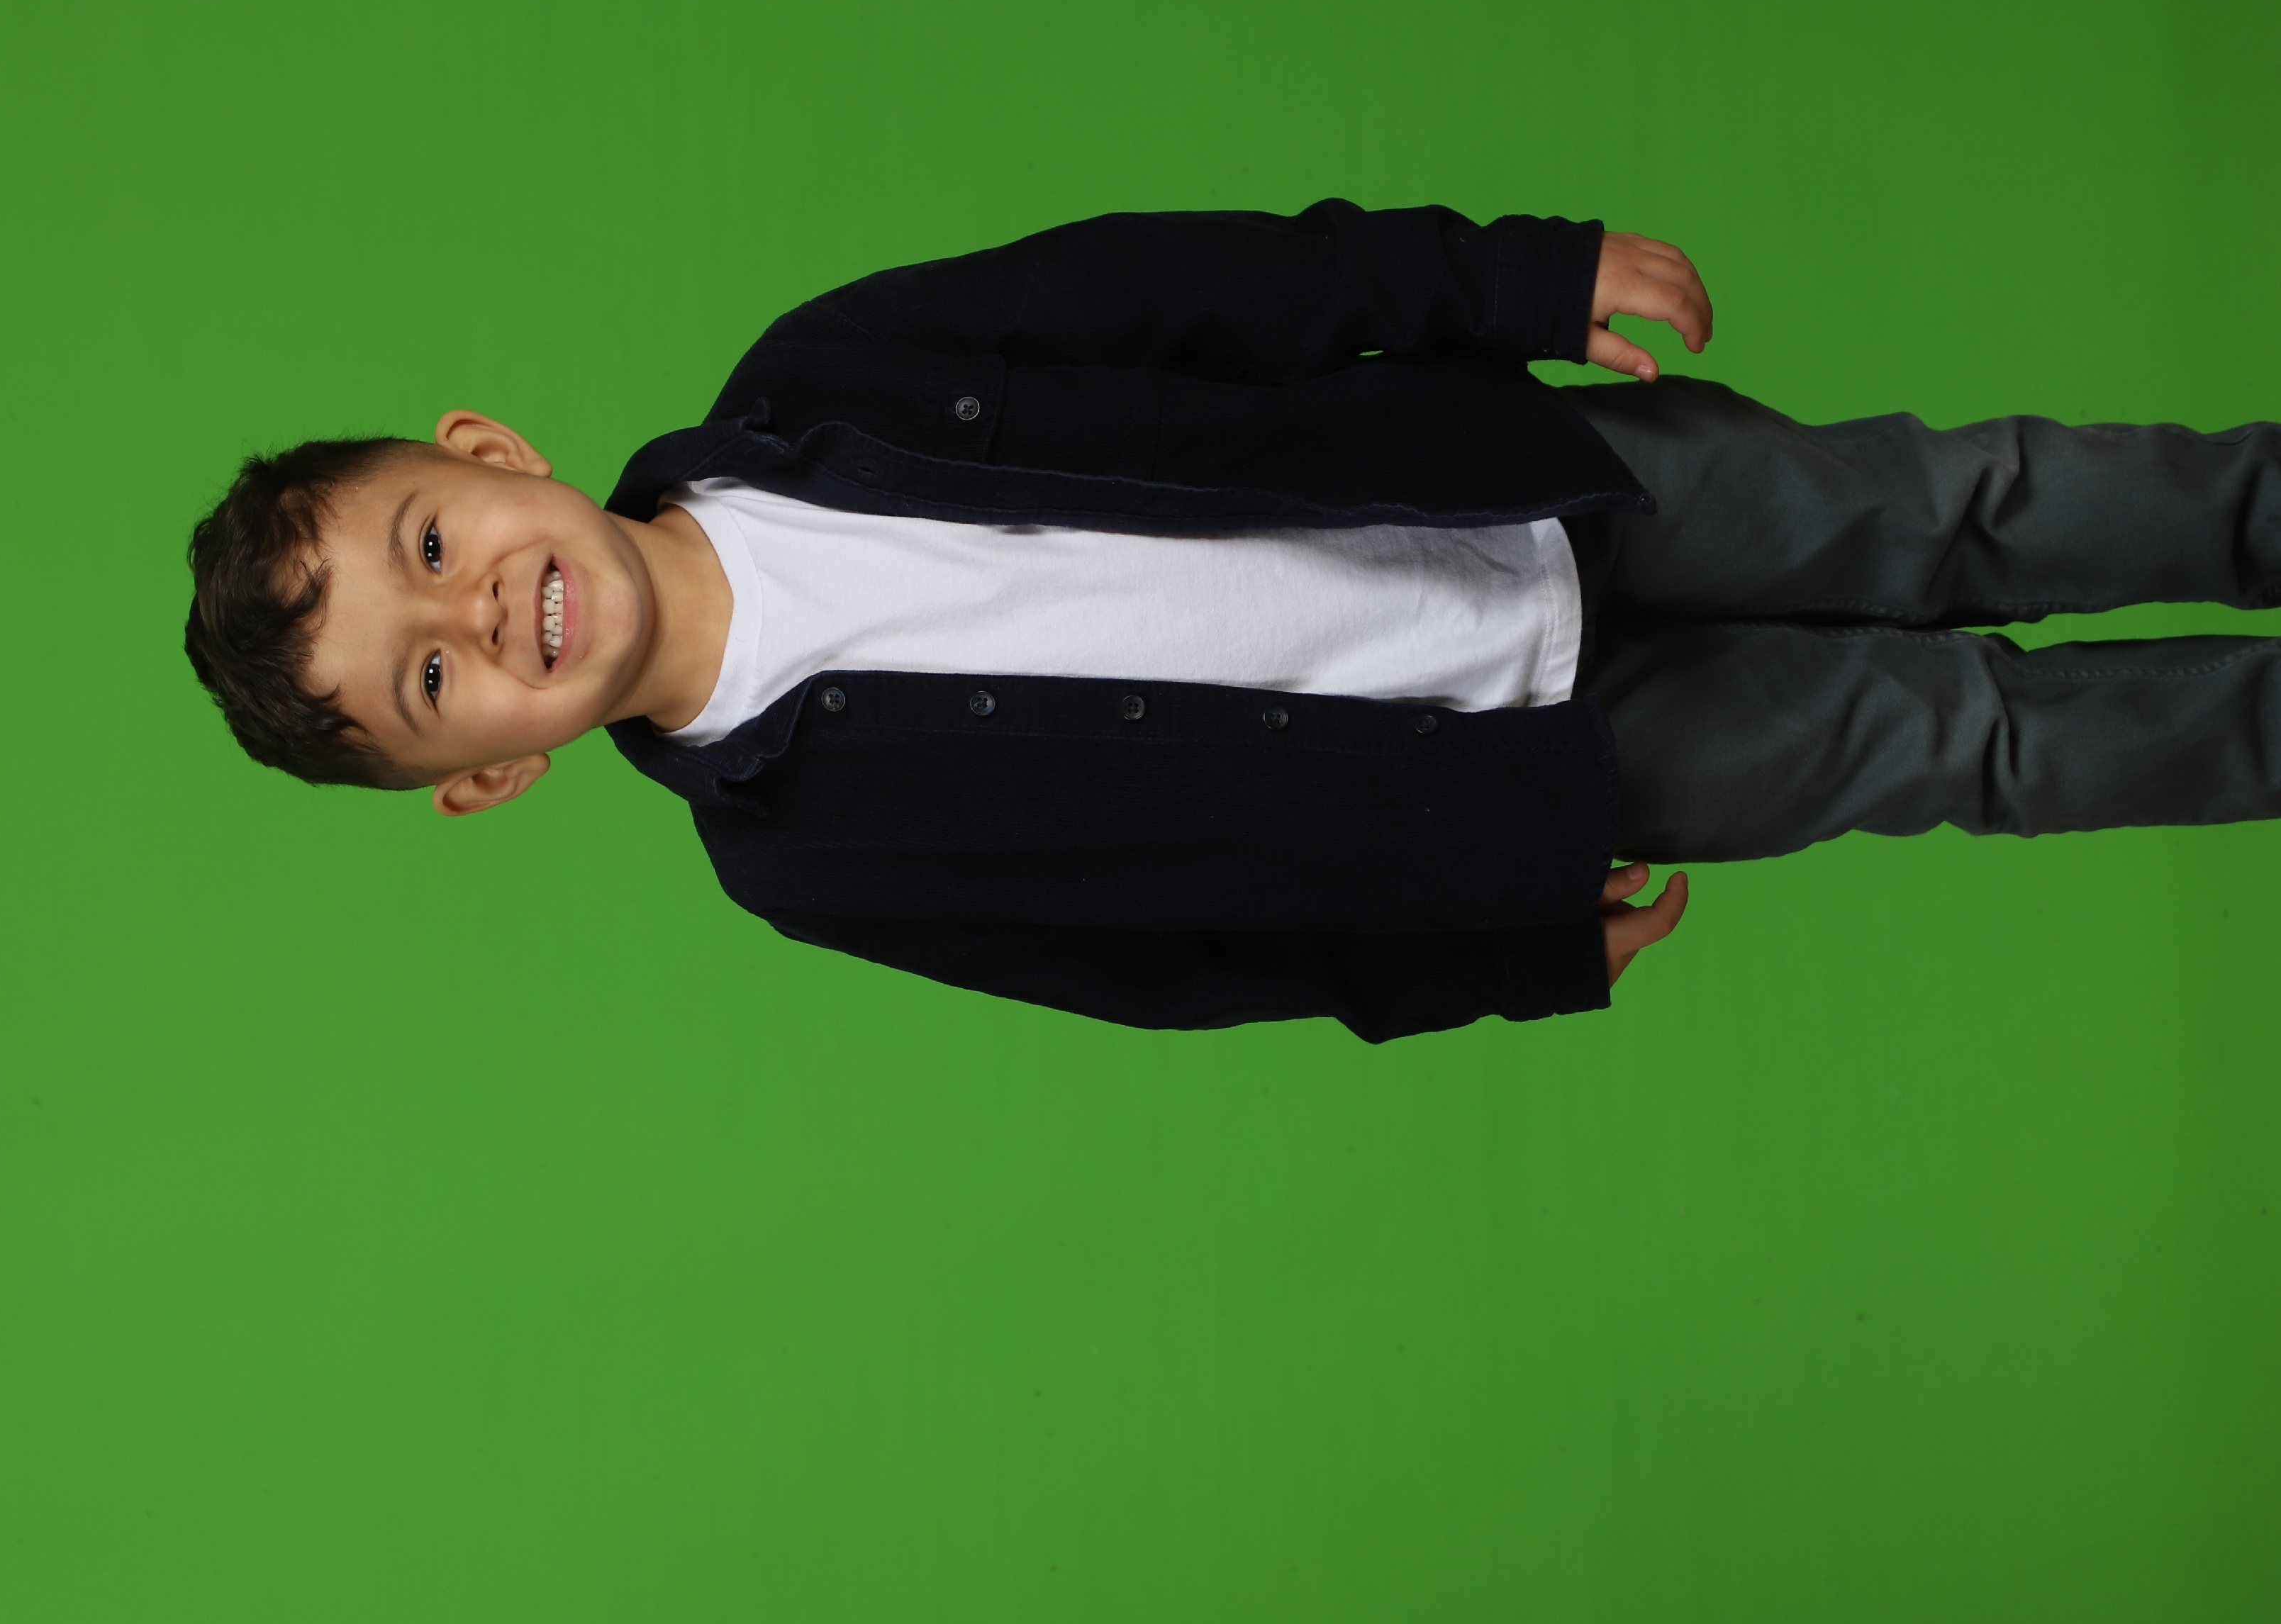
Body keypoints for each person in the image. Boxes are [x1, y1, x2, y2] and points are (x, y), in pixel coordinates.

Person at [182, 200, 2281, 1042]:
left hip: (1526, 484)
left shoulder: (826, 378)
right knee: (1964, 743)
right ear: (489, 778)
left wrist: (1510, 278)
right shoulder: (804, 860)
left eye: (431, 539)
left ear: (488, 449)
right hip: (1532, 784)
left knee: (1958, 503)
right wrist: (1495, 959)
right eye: (428, 679)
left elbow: (1184, 286)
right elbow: (1163, 963)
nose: (480, 609)